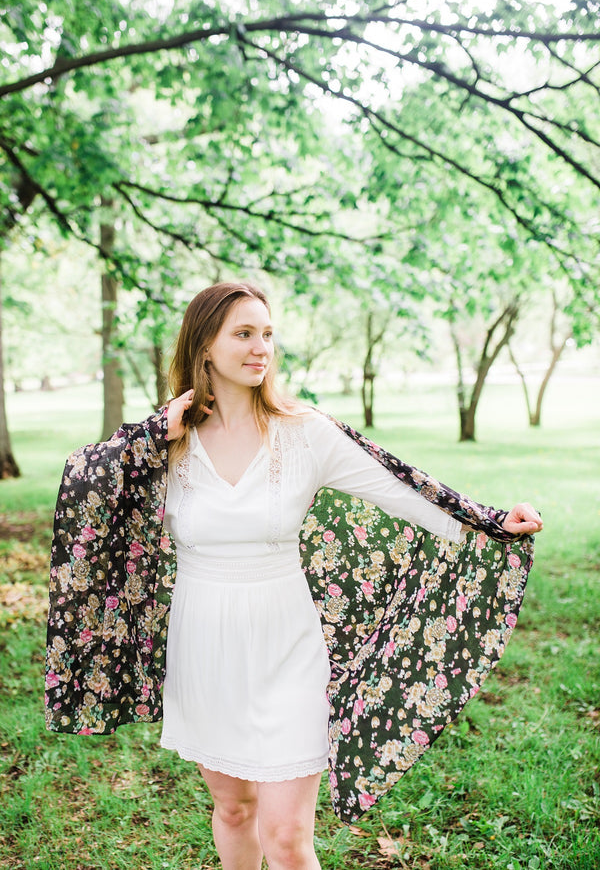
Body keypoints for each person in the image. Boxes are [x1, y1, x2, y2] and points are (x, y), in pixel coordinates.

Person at [46, 281, 542, 870]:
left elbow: (401, 487)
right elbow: (84, 488)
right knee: (234, 810)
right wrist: (152, 434)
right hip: (203, 646)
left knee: (285, 836)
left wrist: (489, 521)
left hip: (286, 645)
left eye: (267, 334)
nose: (261, 348)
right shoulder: (167, 442)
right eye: (243, 334)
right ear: (204, 346)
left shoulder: (304, 432)